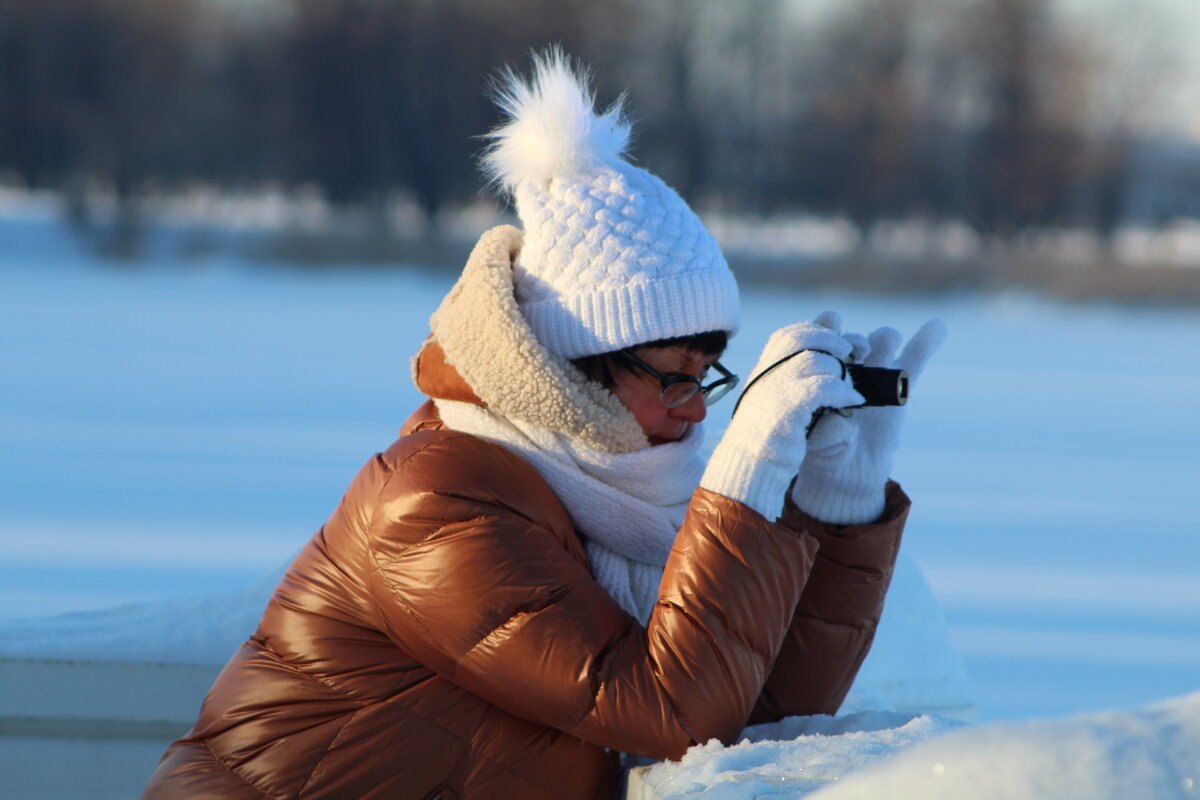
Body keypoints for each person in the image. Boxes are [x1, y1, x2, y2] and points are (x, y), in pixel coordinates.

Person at [143, 50, 945, 800]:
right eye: (672, 375)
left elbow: (752, 713)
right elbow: (674, 713)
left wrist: (837, 508)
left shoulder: (618, 499)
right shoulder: (436, 506)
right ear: (572, 365)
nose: (697, 408)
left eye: (707, 376)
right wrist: (747, 472)